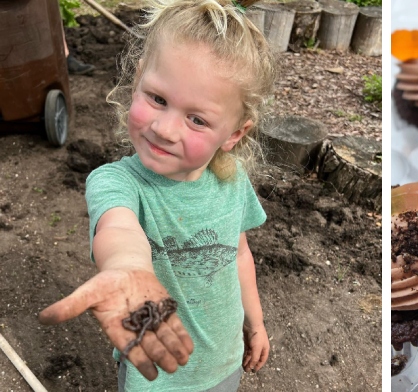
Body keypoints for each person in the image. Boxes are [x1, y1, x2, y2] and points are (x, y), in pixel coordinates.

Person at [38, 0, 276, 390]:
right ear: (136, 84)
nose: (165, 129)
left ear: (234, 134)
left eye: (197, 119)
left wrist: (257, 323)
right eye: (157, 99)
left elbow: (239, 253)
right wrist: (127, 266)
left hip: (225, 363)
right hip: (156, 375)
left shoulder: (233, 182)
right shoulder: (117, 183)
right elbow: (119, 230)